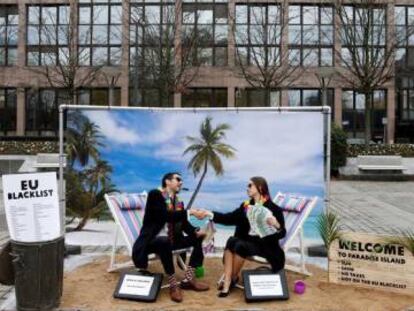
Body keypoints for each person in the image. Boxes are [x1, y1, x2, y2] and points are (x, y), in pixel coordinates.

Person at [201, 176, 286, 297]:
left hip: (264, 245)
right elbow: (229, 218)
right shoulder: (246, 206)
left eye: (250, 185)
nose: (247, 188)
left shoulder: (274, 209)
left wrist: (276, 225)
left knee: (239, 245)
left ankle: (232, 278)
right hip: (248, 241)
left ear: (260, 188)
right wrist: (210, 214)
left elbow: (282, 233)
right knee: (232, 241)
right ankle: (229, 281)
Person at [132, 172, 209, 303]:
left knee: (197, 238)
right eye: (178, 179)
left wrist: (196, 231)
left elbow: (183, 223)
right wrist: (190, 212)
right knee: (164, 241)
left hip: (172, 240)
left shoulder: (177, 202)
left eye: (182, 181)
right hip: (152, 241)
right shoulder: (155, 195)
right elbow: (164, 216)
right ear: (167, 181)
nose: (181, 182)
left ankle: (188, 279)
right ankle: (173, 285)